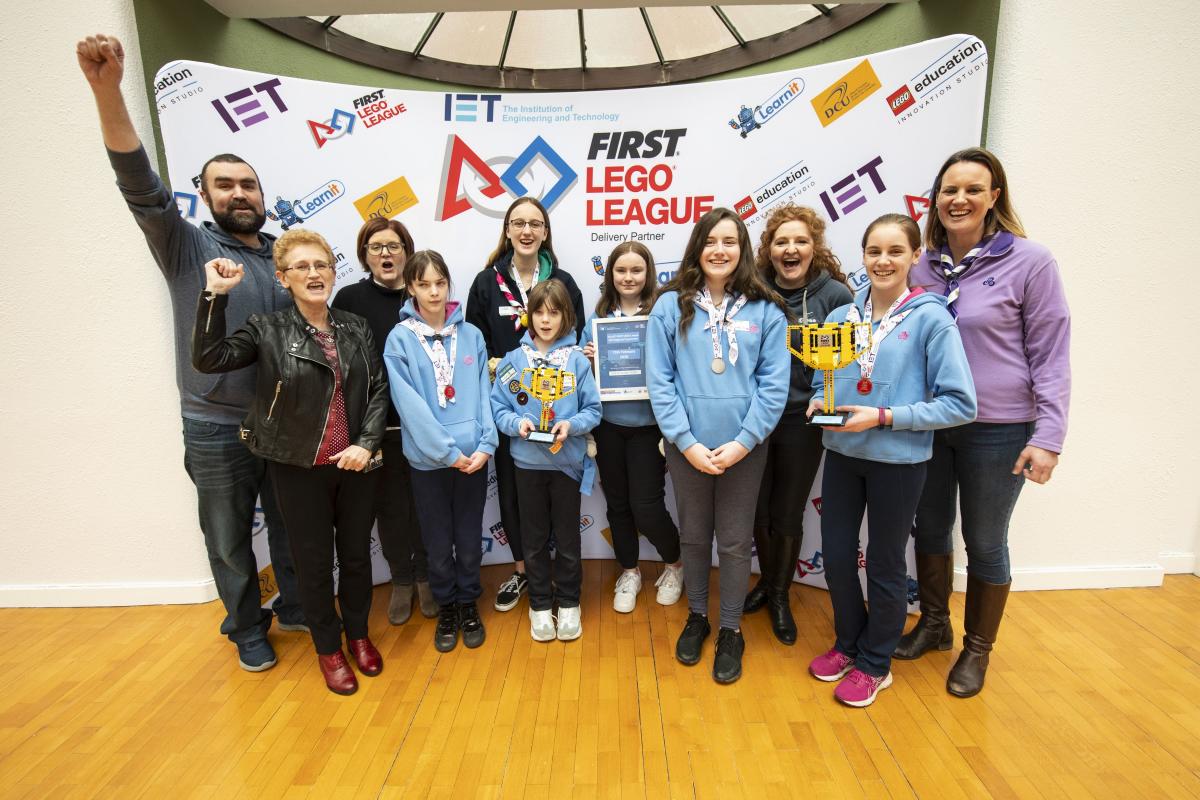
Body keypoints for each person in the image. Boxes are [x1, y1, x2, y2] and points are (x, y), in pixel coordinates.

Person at [77, 33, 304, 672]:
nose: (239, 194)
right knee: (230, 541)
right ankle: (248, 629)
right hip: (215, 425)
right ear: (204, 196)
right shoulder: (185, 247)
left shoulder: (286, 259)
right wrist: (106, 92)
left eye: (248, 186)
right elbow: (139, 185)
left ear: (262, 196)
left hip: (282, 422)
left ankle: (294, 607)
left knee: (289, 527)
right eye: (224, 185)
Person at [898, 148, 1071, 698]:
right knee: (927, 528)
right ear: (936, 200)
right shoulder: (921, 266)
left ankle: (977, 650)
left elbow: (1051, 354)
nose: (959, 200)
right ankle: (934, 624)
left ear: (994, 196)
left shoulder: (1030, 261)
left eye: (973, 189)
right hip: (931, 421)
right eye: (949, 190)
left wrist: (1049, 437)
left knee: (985, 540)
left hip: (999, 427)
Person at [193, 229, 389, 696]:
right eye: (301, 267)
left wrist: (365, 442)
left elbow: (378, 388)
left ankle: (359, 634)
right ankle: (329, 648)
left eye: (321, 264)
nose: (313, 273)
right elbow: (208, 357)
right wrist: (213, 297)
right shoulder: (267, 328)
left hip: (356, 465)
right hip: (299, 469)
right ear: (283, 278)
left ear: (333, 271)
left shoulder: (355, 326)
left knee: (358, 558)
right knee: (313, 564)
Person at [806, 214, 976, 708]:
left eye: (895, 251)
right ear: (862, 257)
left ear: (915, 256)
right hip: (841, 455)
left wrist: (883, 416)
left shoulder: (931, 318)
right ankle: (848, 643)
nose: (883, 261)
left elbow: (960, 404)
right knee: (837, 557)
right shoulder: (842, 318)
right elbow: (827, 380)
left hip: (898, 463)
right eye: (874, 251)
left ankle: (877, 663)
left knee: (883, 563)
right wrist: (821, 400)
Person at [646, 208, 790, 684]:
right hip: (687, 448)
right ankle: (697, 617)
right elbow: (659, 382)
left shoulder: (766, 310)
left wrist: (743, 442)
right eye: (711, 240)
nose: (720, 250)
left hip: (744, 451)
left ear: (743, 250)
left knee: (732, 542)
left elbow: (773, 387)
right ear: (697, 247)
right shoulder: (670, 306)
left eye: (730, 241)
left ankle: (730, 629)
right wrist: (684, 442)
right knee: (692, 536)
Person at [466, 198, 586, 613]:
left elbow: (579, 335)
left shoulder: (564, 281)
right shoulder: (486, 282)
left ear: (545, 231)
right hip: (511, 408)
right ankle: (523, 570)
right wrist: (498, 368)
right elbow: (473, 343)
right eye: (518, 223)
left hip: (557, 411)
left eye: (535, 223)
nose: (526, 231)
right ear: (507, 230)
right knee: (516, 494)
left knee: (560, 500)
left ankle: (560, 581)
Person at [743, 205, 853, 644]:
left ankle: (780, 594)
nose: (791, 249)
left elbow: (848, 364)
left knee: (787, 511)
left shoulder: (836, 298)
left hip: (802, 422)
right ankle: (767, 583)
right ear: (768, 250)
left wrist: (826, 398)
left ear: (815, 247)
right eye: (781, 241)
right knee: (756, 509)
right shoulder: (750, 292)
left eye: (800, 241)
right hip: (754, 419)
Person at [383, 251, 497, 653]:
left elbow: (484, 393)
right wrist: (447, 453)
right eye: (423, 284)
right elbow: (409, 405)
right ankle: (446, 605)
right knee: (436, 539)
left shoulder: (472, 336)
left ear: (449, 284)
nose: (433, 292)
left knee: (468, 538)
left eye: (440, 283)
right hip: (429, 462)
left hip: (476, 459)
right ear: (410, 288)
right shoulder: (399, 339)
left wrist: (486, 444)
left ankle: (468, 602)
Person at [332, 218, 436, 626]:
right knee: (390, 510)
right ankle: (402, 580)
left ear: (407, 251)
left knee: (426, 506)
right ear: (364, 256)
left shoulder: (424, 298)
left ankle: (428, 575)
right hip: (378, 429)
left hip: (426, 424)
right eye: (376, 247)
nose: (386, 254)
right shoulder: (350, 298)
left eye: (393, 246)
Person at [490, 280, 601, 642]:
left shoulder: (577, 362)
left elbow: (593, 410)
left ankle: (569, 602)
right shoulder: (513, 361)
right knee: (534, 539)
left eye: (554, 312)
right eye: (539, 311)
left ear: (566, 316)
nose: (546, 319)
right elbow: (499, 407)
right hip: (527, 464)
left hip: (566, 464)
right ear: (529, 316)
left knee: (568, 539)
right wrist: (515, 424)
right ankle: (539, 603)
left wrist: (573, 424)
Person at [580, 242, 683, 613]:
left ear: (648, 274)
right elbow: (581, 378)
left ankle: (675, 564)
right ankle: (629, 571)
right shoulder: (598, 318)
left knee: (647, 507)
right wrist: (589, 359)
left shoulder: (663, 312)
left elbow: (678, 364)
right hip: (608, 426)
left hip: (649, 428)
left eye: (636, 270)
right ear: (610, 275)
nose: (628, 277)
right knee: (618, 506)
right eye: (621, 270)